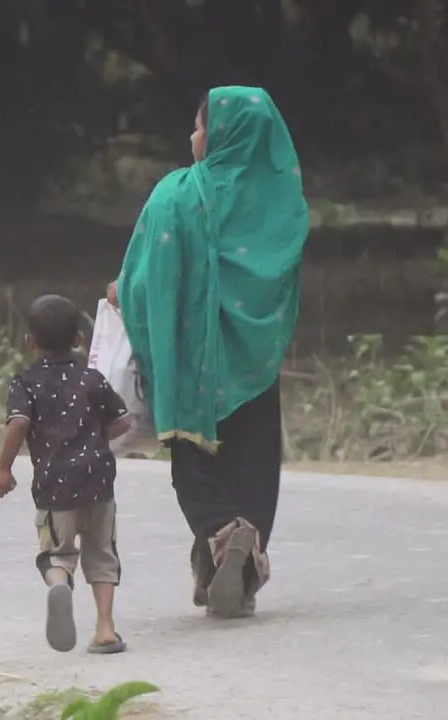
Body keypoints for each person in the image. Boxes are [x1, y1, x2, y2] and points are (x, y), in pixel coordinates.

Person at [106, 86, 309, 619]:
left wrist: (121, 292)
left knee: (196, 469)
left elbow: (144, 278)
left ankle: (222, 534)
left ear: (220, 134)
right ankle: (235, 563)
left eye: (199, 126)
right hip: (255, 365)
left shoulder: (176, 195)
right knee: (254, 467)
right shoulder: (282, 208)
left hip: (192, 368)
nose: (193, 137)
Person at [0, 294, 135, 653]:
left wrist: (3, 468)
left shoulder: (26, 382)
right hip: (99, 482)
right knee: (102, 554)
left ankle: (58, 582)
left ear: (30, 342)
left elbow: (19, 422)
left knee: (57, 554)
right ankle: (105, 629)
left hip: (56, 488)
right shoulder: (92, 378)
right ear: (79, 340)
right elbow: (123, 422)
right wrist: (95, 435)